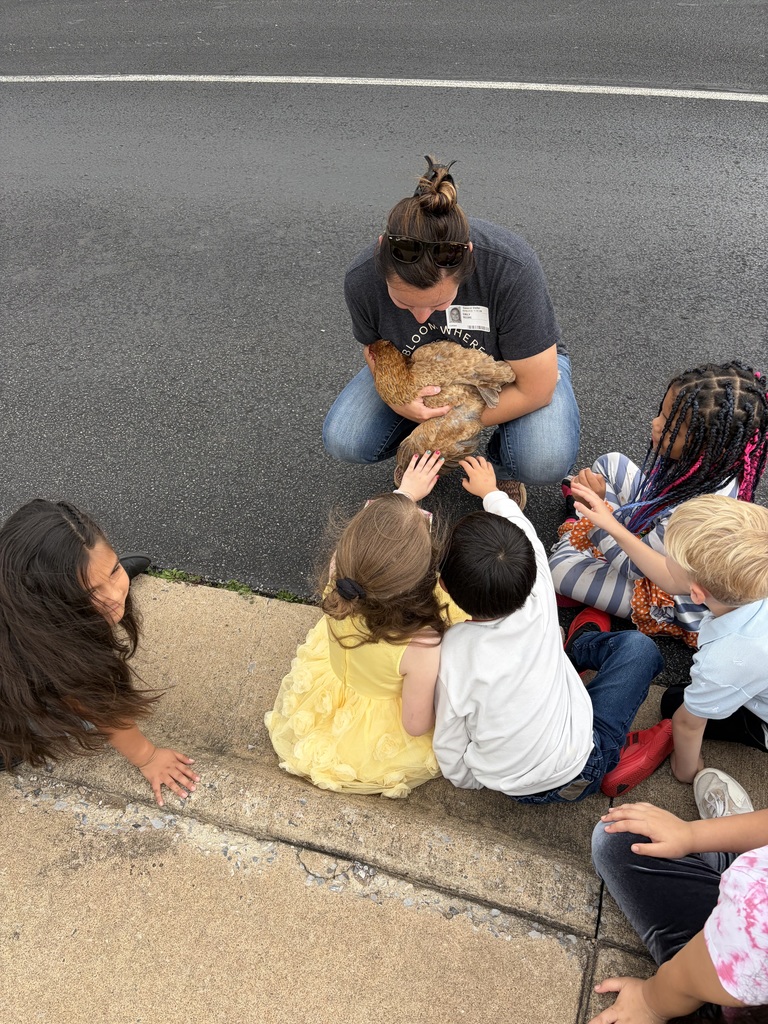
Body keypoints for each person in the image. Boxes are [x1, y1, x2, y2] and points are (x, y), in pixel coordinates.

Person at [322, 155, 580, 508]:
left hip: (512, 368)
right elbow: (376, 350)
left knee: (543, 458)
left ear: (468, 260)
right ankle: (431, 455)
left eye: (438, 305)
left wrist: (446, 426)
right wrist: (399, 399)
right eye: (405, 304)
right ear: (382, 250)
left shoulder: (511, 269)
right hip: (419, 372)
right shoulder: (362, 279)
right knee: (346, 439)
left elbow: (536, 388)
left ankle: (500, 464)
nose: (422, 317)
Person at [431, 456, 667, 803]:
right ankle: (617, 755)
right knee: (640, 650)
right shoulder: (539, 588)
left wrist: (470, 779)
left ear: (445, 588)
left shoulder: (453, 651)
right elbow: (521, 526)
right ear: (531, 565)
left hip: (516, 788)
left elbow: (449, 739)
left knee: (557, 656)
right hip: (582, 759)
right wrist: (492, 492)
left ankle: (573, 651)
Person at [265, 451, 468, 798]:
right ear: (422, 576)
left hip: (335, 684)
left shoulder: (340, 579)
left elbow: (365, 537)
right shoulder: (421, 642)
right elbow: (415, 724)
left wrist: (404, 493)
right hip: (376, 729)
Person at [549, 361, 768, 645]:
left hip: (669, 593)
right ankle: (591, 548)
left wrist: (595, 516)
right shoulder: (713, 468)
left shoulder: (696, 514)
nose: (655, 424)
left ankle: (577, 524)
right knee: (610, 463)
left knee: (559, 569)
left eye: (670, 426)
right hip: (663, 545)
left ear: (707, 447)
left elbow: (634, 568)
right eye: (663, 414)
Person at [0, 499, 199, 807]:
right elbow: (99, 706)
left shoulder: (15, 588)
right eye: (91, 593)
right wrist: (147, 757)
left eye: (115, 570)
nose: (116, 596)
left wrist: (99, 582)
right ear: (42, 602)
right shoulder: (51, 659)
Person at [569, 491, 768, 783]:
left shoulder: (725, 660)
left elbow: (687, 724)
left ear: (698, 593)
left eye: (669, 555)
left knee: (674, 703)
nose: (665, 558)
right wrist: (611, 526)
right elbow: (672, 577)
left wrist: (687, 772)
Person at [589, 781, 768, 1024]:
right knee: (626, 834)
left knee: (616, 838)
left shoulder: (754, 922)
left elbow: (707, 966)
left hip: (736, 969)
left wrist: (650, 1003)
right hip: (745, 940)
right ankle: (741, 857)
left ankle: (740, 860)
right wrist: (690, 835)